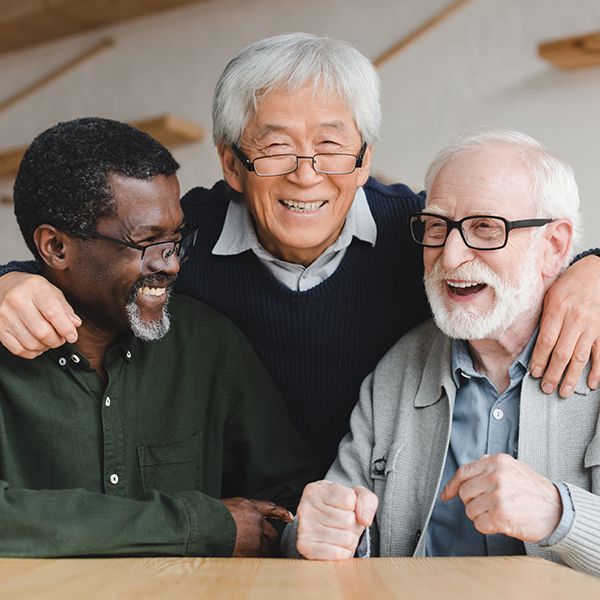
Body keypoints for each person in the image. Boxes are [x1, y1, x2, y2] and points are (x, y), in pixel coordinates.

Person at [1, 34, 600, 472]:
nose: (306, 175)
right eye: (277, 147)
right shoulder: (186, 236)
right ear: (232, 163)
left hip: (387, 505)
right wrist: (8, 280)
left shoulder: (424, 234)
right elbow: (87, 262)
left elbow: (516, 253)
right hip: (242, 517)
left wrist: (591, 267)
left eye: (332, 146)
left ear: (364, 160)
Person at [0, 117, 318, 558]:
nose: (171, 265)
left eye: (176, 239)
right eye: (148, 242)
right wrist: (196, 525)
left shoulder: (208, 344)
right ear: (56, 248)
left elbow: (290, 501)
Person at [288, 129, 600, 576]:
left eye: (485, 228)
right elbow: (331, 531)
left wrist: (559, 513)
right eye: (438, 226)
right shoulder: (398, 368)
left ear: (553, 246)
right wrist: (314, 533)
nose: (450, 256)